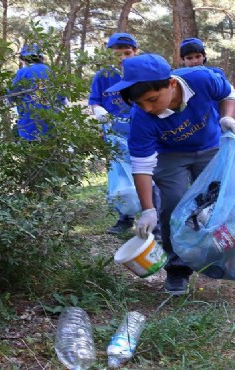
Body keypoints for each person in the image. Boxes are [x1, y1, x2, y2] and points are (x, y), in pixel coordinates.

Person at [106, 53, 235, 295]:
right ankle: (177, 270)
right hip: (170, 155)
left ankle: (227, 256)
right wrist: (148, 209)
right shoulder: (141, 118)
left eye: (152, 99)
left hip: (210, 146)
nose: (147, 108)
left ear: (171, 84)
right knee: (172, 205)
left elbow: (227, 93)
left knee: (215, 202)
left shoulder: (200, 79)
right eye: (140, 103)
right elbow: (142, 166)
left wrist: (227, 117)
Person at [88, 33, 160, 235]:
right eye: (116, 54)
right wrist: (98, 111)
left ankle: (157, 221)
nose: (122, 59)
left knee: (149, 174)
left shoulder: (143, 72)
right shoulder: (103, 76)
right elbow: (94, 100)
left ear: (136, 52)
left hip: (141, 132)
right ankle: (125, 217)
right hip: (114, 135)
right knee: (120, 176)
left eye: (127, 53)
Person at [8, 44, 63, 141]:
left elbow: (11, 95)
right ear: (41, 57)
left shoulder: (23, 72)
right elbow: (61, 98)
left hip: (29, 126)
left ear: (23, 59)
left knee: (30, 153)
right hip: (51, 127)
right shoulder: (51, 72)